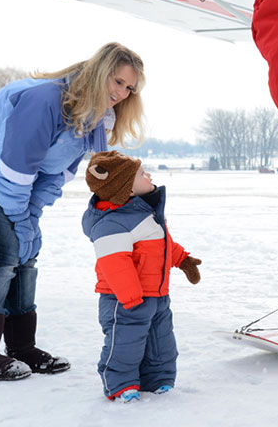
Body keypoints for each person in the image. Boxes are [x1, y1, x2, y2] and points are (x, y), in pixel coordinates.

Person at [0, 42, 145, 381]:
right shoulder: (43, 101)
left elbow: (54, 175)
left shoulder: (94, 118)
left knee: (26, 250)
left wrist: (30, 218)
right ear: (99, 72)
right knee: (3, 251)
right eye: (118, 81)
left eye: (129, 88)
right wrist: (20, 220)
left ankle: (21, 347)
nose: (122, 93)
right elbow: (14, 171)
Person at [81, 150, 201, 402]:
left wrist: (183, 259)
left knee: (161, 343)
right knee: (125, 344)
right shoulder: (113, 222)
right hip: (124, 300)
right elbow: (114, 263)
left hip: (157, 294)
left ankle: (158, 379)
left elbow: (162, 245)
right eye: (142, 174)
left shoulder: (145, 213)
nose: (149, 176)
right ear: (127, 189)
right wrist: (131, 297)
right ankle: (121, 385)